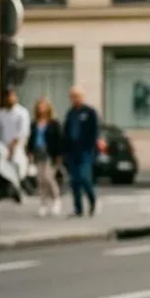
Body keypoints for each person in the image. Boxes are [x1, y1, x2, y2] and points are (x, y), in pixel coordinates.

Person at [63, 86, 100, 217]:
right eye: (72, 96)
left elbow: (94, 132)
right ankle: (78, 208)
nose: (75, 99)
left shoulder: (89, 112)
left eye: (77, 96)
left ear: (82, 97)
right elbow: (66, 132)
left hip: (85, 150)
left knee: (85, 177)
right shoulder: (70, 113)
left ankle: (92, 199)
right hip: (72, 151)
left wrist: (92, 148)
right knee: (74, 181)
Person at [26, 97, 64, 217]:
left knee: (48, 177)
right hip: (38, 152)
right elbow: (31, 138)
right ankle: (43, 203)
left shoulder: (54, 123)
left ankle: (56, 199)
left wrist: (59, 155)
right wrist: (29, 151)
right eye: (39, 106)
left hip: (50, 152)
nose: (41, 108)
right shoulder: (35, 123)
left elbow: (59, 139)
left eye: (43, 105)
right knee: (40, 179)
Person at [0, 88, 31, 187]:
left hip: (17, 146)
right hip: (3, 147)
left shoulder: (22, 112)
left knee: (17, 166)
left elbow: (23, 132)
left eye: (12, 96)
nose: (10, 99)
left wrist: (13, 146)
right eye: (8, 97)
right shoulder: (1, 113)